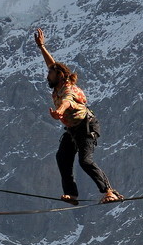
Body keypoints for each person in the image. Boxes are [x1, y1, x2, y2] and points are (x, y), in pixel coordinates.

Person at [34, 28, 123, 205]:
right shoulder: (59, 85)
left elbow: (67, 102)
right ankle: (71, 194)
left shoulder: (68, 90)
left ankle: (109, 192)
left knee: (85, 160)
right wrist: (42, 47)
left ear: (59, 76)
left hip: (85, 127)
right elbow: (52, 64)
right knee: (62, 157)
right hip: (73, 129)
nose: (47, 76)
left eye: (50, 74)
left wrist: (59, 112)